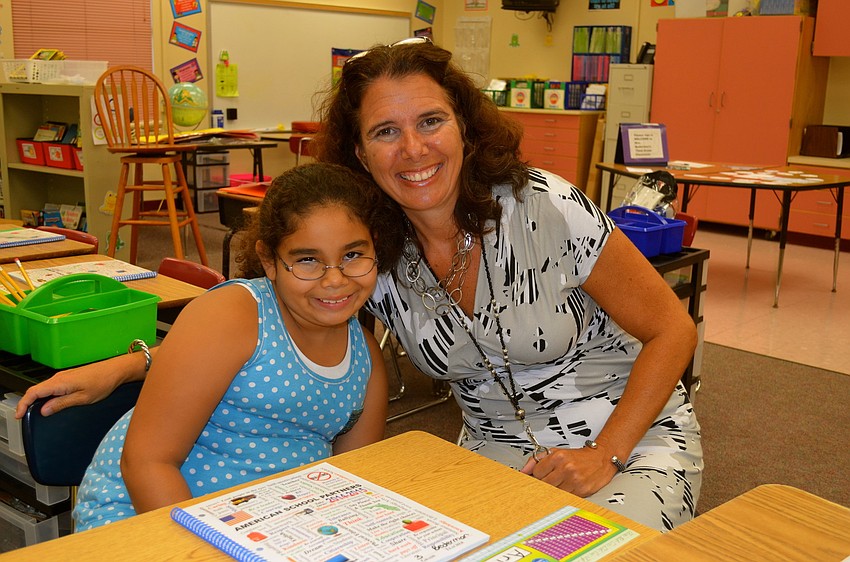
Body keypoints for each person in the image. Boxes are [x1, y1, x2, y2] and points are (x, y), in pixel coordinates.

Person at [18, 40, 702, 532]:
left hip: (625, 441)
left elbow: (673, 329)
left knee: (594, 553)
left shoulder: (543, 206)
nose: (414, 149)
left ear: (463, 126)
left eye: (430, 121)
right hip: (494, 457)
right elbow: (265, 322)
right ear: (359, 150)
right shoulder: (371, 250)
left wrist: (605, 453)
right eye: (385, 131)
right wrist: (134, 364)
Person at [56, 163, 389, 529]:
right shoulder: (233, 314)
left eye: (353, 255)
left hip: (270, 525)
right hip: (147, 515)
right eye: (307, 260)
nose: (335, 279)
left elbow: (350, 480)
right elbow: (147, 463)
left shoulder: (366, 357)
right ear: (269, 261)